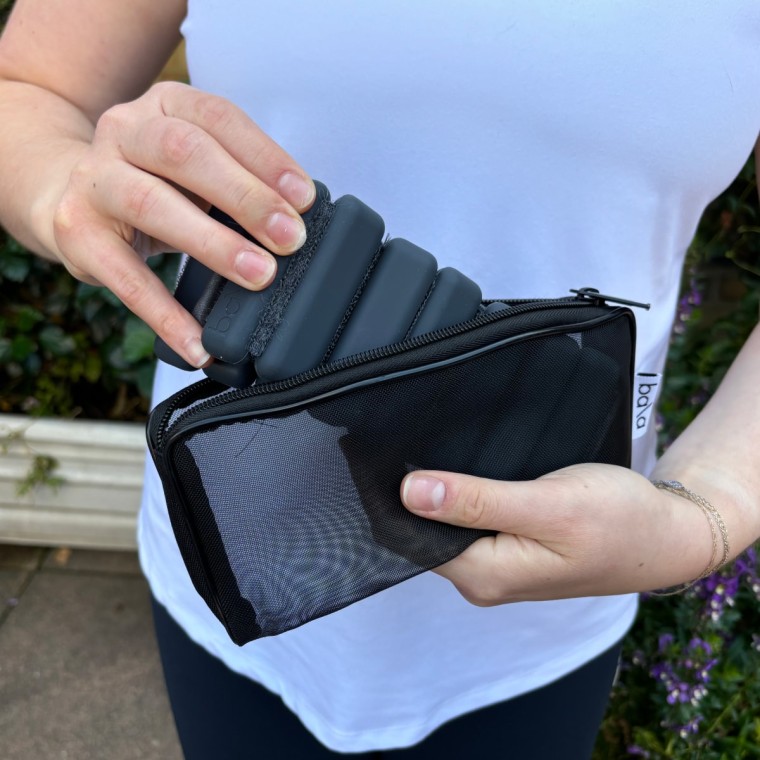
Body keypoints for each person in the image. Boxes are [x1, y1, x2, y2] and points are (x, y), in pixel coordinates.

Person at [0, 1, 758, 758]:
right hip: (243, 561)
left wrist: (710, 511)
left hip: (541, 629)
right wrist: (64, 184)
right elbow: (29, 88)